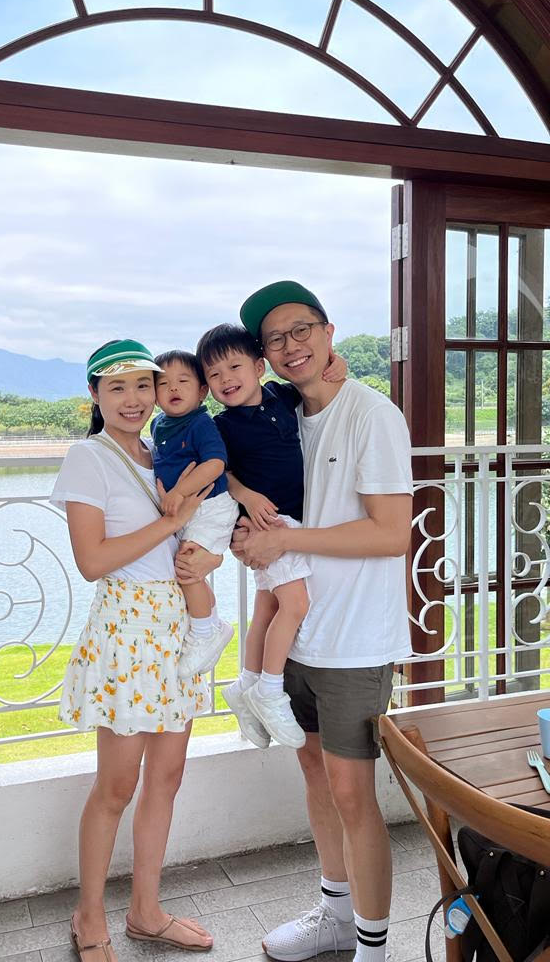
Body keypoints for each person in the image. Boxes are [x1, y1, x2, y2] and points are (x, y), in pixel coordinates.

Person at [230, 281, 413, 962]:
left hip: (355, 640)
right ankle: (336, 913)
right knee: (314, 775)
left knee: (352, 793)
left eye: (301, 329)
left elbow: (391, 533)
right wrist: (250, 536)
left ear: (329, 332)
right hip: (297, 634)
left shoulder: (371, 414)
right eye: (274, 339)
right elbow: (262, 510)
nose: (291, 345)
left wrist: (285, 540)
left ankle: (373, 946)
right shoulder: (279, 416)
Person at [51, 338, 215, 961]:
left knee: (166, 779)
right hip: (126, 630)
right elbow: (92, 561)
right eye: (116, 387)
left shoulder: (165, 452)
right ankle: (89, 915)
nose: (133, 399)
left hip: (178, 626)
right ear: (94, 395)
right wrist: (168, 523)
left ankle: (146, 911)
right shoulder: (88, 457)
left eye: (143, 385)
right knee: (117, 786)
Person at [194, 325, 344, 749]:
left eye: (234, 367)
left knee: (267, 608)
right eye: (214, 375)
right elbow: (217, 470)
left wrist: (339, 362)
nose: (226, 379)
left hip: (289, 523)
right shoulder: (221, 426)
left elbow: (318, 375)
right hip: (269, 527)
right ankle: (269, 690)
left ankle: (246, 684)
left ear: (259, 367)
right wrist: (246, 494)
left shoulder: (282, 395)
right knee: (295, 604)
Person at [151, 350, 238, 678]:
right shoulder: (158, 424)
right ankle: (213, 625)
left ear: (202, 391)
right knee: (187, 570)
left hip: (210, 507)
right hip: (188, 511)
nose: (173, 388)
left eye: (183, 381)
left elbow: (215, 464)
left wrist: (178, 492)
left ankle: (204, 634)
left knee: (187, 569)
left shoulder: (200, 423)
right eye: (163, 384)